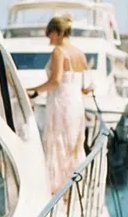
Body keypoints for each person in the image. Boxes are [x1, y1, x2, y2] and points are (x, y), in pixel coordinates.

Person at [33, 14, 88, 186]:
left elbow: (55, 80)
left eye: (49, 33)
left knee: (58, 142)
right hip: (76, 104)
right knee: (73, 144)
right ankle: (75, 183)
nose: (48, 37)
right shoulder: (79, 53)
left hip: (60, 103)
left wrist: (34, 91)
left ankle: (57, 186)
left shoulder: (59, 52)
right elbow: (85, 86)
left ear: (57, 32)